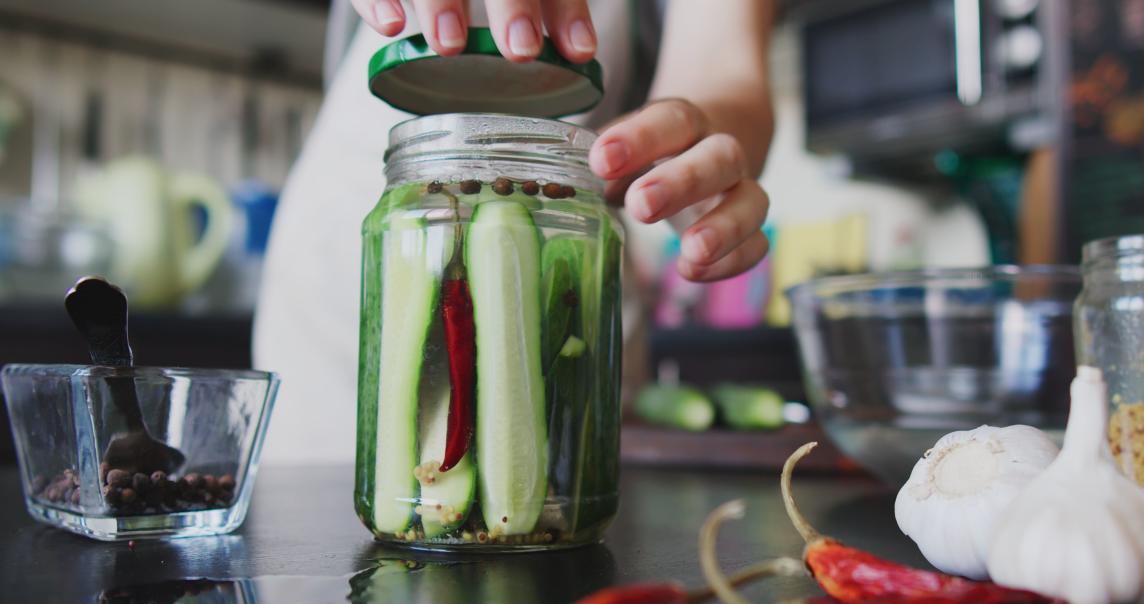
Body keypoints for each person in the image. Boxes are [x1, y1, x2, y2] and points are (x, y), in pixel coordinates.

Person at [254, 0, 777, 464]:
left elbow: (722, 66)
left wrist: (692, 140)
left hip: (570, 252)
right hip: (334, 295)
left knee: (562, 515)